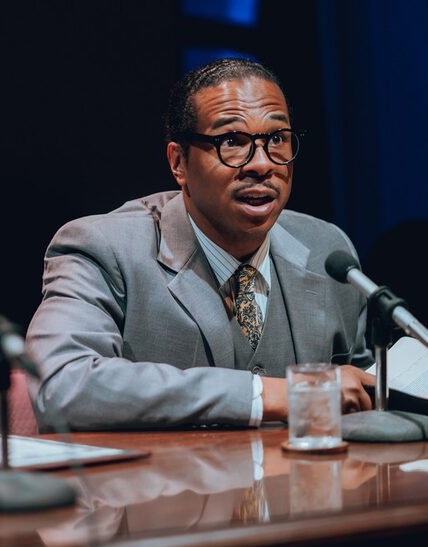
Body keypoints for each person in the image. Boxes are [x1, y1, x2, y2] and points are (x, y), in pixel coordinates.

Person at [26, 58, 376, 432]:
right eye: (232, 142)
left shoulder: (326, 250)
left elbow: (360, 392)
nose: (261, 164)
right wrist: (264, 395)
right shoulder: (104, 248)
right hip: (165, 488)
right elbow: (61, 385)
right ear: (179, 162)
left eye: (276, 139)